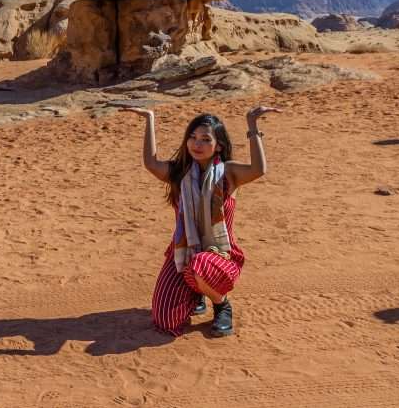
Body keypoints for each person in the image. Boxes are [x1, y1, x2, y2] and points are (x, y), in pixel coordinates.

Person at [120, 104, 280, 337]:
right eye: (193, 137)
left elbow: (259, 169)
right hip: (184, 253)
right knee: (165, 320)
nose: (197, 144)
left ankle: (221, 304)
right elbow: (151, 164)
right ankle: (196, 292)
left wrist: (252, 125)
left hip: (220, 256)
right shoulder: (179, 172)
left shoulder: (229, 173)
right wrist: (150, 119)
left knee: (201, 265)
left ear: (219, 146)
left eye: (205, 139)